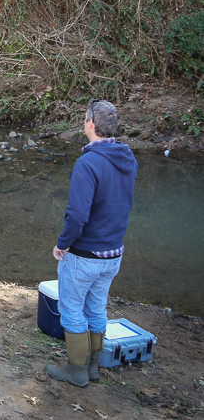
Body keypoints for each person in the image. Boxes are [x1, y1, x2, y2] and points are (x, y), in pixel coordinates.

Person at [46, 99, 137, 387]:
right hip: (114, 253)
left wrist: (63, 244)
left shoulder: (87, 163)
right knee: (97, 308)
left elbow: (77, 215)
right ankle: (93, 367)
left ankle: (76, 371)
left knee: (72, 309)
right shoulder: (128, 158)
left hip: (85, 254)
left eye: (85, 118)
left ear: (90, 124)